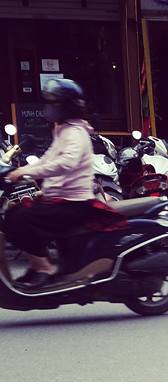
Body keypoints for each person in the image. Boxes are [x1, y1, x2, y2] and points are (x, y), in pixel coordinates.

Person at [3, 79, 100, 286]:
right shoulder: (63, 130)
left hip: (74, 204)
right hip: (62, 199)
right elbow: (47, 160)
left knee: (17, 219)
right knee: (14, 211)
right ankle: (38, 265)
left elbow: (66, 163)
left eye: (53, 103)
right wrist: (21, 171)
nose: (48, 108)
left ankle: (45, 267)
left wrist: (24, 172)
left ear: (66, 106)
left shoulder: (76, 132)